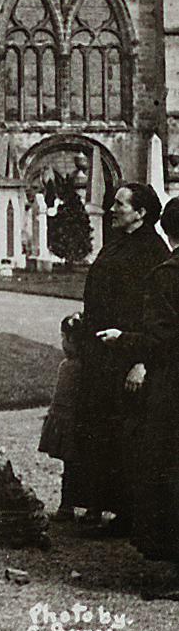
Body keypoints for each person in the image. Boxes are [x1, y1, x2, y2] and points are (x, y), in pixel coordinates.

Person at [74, 181, 169, 537]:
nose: (113, 208)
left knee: (124, 435)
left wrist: (142, 362)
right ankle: (99, 504)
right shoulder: (120, 243)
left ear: (141, 212)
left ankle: (126, 516)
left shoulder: (151, 251)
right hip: (103, 354)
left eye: (120, 204)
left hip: (126, 357)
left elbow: (153, 315)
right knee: (101, 429)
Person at [131, 196, 179, 595]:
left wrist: (127, 342)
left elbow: (161, 338)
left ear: (166, 229)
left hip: (174, 384)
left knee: (169, 469)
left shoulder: (166, 275)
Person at [38, 313, 86, 520]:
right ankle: (81, 507)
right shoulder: (84, 366)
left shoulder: (69, 367)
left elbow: (60, 401)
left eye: (64, 338)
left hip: (69, 422)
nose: (63, 343)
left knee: (70, 464)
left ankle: (67, 507)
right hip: (77, 422)